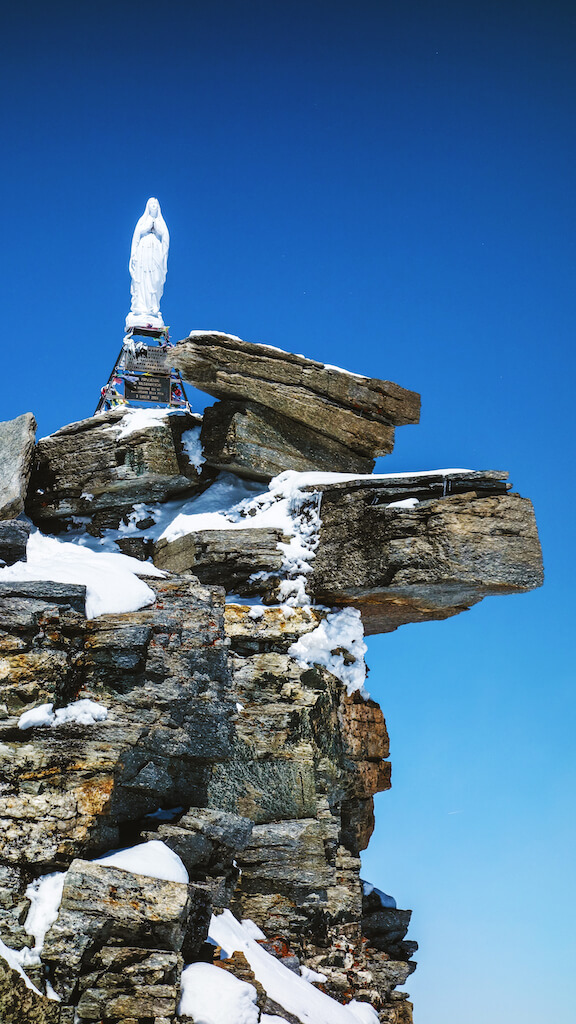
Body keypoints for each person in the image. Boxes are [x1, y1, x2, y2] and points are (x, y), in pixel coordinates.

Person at [128, 197, 169, 322]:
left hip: (155, 252)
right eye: (151, 204)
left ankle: (153, 308)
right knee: (143, 279)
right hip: (144, 252)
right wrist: (146, 228)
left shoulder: (161, 222)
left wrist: (159, 230)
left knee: (155, 279)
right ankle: (141, 308)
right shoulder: (142, 221)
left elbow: (166, 238)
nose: (154, 206)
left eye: (156, 204)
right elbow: (136, 236)